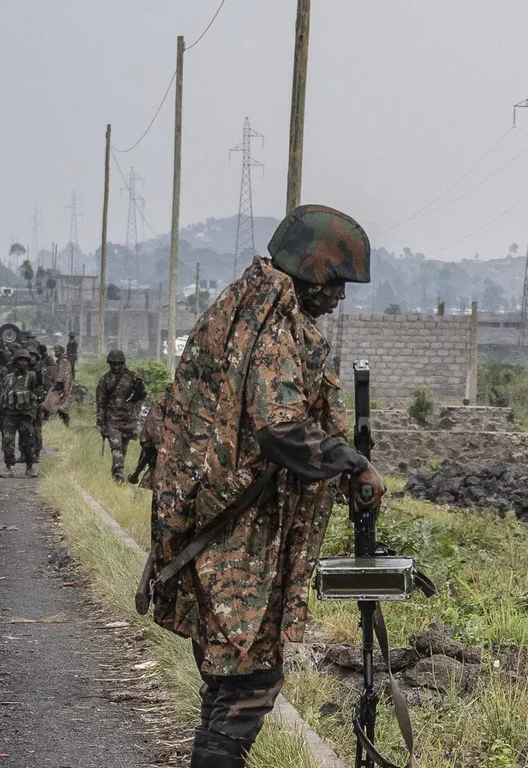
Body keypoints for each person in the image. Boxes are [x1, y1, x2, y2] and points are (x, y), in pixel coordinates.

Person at [141, 205, 383, 767]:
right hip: (235, 538)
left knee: (228, 680)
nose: (341, 297)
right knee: (251, 680)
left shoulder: (246, 306)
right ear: (313, 270)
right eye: (338, 283)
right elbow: (279, 430)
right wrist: (350, 463)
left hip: (214, 524)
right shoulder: (272, 329)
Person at [0, 351, 43, 476]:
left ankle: (29, 467)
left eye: (25, 360)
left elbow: (40, 384)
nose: (23, 363)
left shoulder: (32, 377)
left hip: (26, 416)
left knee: (28, 443)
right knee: (8, 441)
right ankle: (9, 467)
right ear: (15, 362)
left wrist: (39, 370)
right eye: (20, 360)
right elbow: (3, 399)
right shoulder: (8, 379)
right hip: (10, 416)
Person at [95, 349, 147, 482]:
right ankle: (118, 475)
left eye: (118, 364)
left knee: (123, 448)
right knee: (116, 449)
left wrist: (140, 387)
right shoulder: (105, 380)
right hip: (112, 422)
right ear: (109, 364)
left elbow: (142, 396)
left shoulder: (133, 377)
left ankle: (116, 473)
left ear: (123, 363)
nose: (116, 367)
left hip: (129, 421)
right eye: (113, 364)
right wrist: (101, 424)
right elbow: (100, 403)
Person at [41, 344, 74, 428]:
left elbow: (62, 375)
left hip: (62, 388)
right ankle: (50, 422)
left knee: (50, 404)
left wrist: (56, 385)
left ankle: (49, 421)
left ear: (62, 352)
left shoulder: (63, 361)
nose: (55, 353)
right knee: (56, 405)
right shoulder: (60, 361)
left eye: (57, 351)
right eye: (55, 351)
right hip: (61, 387)